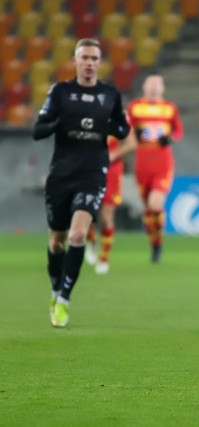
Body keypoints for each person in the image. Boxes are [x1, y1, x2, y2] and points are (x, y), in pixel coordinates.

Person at [32, 38, 130, 327]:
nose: (89, 63)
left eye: (94, 58)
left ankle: (64, 299)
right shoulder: (60, 92)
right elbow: (38, 130)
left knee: (77, 235)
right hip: (61, 175)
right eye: (84, 57)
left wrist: (107, 127)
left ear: (100, 63)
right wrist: (59, 122)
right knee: (57, 241)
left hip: (93, 174)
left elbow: (123, 129)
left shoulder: (110, 94)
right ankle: (55, 288)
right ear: (75, 61)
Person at [126, 74, 183, 263]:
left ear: (162, 88)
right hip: (142, 163)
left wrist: (170, 138)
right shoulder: (135, 107)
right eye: (150, 84)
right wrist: (134, 133)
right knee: (148, 210)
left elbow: (178, 131)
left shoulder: (169, 108)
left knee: (155, 204)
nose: (153, 88)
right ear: (143, 87)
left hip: (162, 163)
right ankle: (155, 242)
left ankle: (158, 244)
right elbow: (125, 130)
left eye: (157, 84)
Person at [85, 132, 136, 274]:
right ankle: (91, 240)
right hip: (90, 168)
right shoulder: (87, 114)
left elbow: (131, 143)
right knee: (87, 211)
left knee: (106, 216)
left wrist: (115, 153)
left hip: (112, 169)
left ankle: (104, 258)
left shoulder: (119, 117)